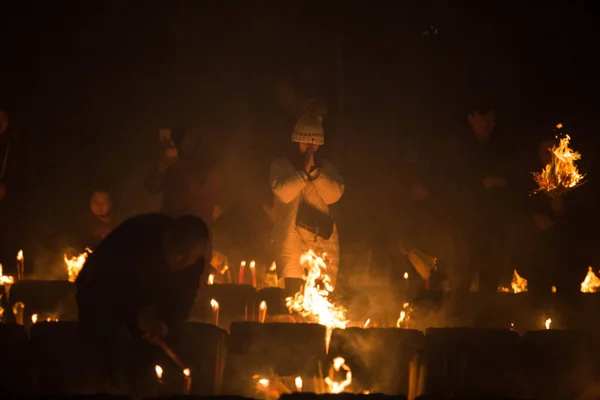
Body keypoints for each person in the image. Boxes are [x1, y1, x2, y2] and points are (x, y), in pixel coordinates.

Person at [75, 213, 209, 395]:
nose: (185, 263)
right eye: (181, 254)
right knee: (107, 353)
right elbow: (111, 283)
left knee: (149, 356)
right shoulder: (136, 240)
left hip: (143, 302)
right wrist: (139, 311)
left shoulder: (192, 261)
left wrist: (167, 325)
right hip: (100, 289)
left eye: (192, 258)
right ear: (167, 239)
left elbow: (183, 298)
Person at [270, 110, 344, 298]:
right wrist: (302, 173)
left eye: (315, 143)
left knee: (320, 300)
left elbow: (334, 195)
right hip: (292, 243)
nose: (310, 148)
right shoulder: (281, 166)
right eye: (305, 143)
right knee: (295, 300)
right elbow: (283, 192)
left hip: (321, 242)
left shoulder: (326, 168)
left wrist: (315, 173)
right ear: (296, 141)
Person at [447, 104, 513, 294]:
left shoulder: (500, 148)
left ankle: (485, 318)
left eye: (492, 119)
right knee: (463, 274)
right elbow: (451, 182)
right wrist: (479, 183)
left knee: (490, 275)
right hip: (465, 223)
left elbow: (512, 180)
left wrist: (501, 182)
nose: (488, 124)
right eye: (484, 118)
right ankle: (454, 320)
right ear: (471, 119)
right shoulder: (459, 148)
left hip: (493, 224)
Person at [144, 128, 221, 226]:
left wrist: (176, 163)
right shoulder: (169, 162)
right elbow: (151, 187)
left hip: (194, 225)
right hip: (170, 223)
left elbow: (194, 191)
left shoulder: (208, 165)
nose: (171, 145)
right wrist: (162, 166)